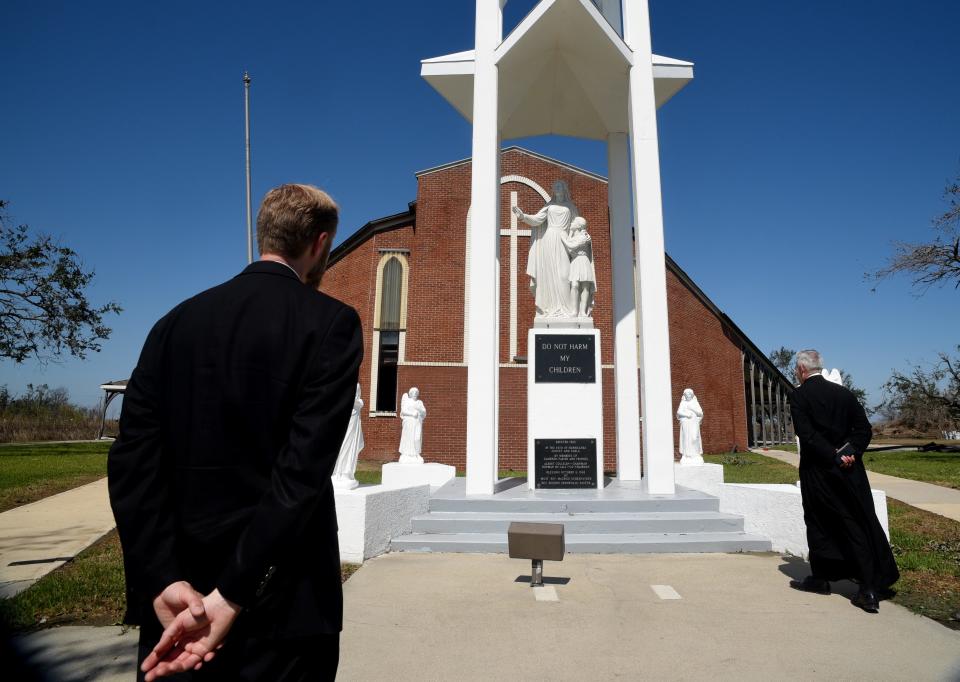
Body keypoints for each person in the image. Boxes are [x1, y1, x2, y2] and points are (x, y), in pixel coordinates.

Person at [108, 184, 363, 680]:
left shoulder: (172, 323)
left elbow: (131, 459)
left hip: (178, 611)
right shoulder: (330, 323)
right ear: (320, 244)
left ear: (263, 234)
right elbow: (300, 475)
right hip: (282, 614)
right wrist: (232, 595)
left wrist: (160, 578)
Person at [788, 349, 899, 613]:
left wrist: (832, 456)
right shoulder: (845, 394)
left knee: (818, 523)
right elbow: (864, 429)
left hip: (819, 472)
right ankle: (868, 586)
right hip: (851, 473)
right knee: (856, 522)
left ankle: (823, 579)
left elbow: (807, 434)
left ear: (802, 370)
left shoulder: (800, 396)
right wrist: (849, 453)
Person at [513, 179, 579, 318]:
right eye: (555, 186)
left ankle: (567, 309)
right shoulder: (549, 206)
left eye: (560, 186)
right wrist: (523, 216)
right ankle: (550, 308)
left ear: (565, 189)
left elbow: (576, 224)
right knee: (549, 275)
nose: (557, 188)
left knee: (564, 275)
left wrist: (576, 240)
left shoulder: (571, 207)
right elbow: (537, 219)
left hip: (564, 240)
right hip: (549, 239)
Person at [332, 383, 365, 490]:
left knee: (351, 449)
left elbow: (358, 403)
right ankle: (338, 472)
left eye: (357, 390)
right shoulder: (344, 400)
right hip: (344, 428)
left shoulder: (359, 401)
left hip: (353, 430)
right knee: (342, 447)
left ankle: (346, 472)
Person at [562, 216, 596, 317]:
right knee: (574, 285)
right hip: (575, 262)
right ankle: (574, 311)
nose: (571, 223)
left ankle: (583, 312)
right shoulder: (574, 237)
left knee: (585, 286)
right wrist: (570, 234)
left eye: (573, 222)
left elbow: (571, 246)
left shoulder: (584, 236)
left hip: (583, 260)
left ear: (578, 226)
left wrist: (563, 237)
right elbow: (569, 250)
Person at [398, 387, 426, 464]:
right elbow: (403, 411)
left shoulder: (419, 402)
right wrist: (412, 413)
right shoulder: (407, 401)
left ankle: (416, 453)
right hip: (409, 422)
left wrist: (419, 409)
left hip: (417, 423)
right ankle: (407, 454)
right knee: (408, 438)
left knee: (417, 438)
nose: (415, 394)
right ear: (410, 393)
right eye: (413, 392)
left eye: (416, 392)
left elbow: (424, 412)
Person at [676, 388, 704, 465]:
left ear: (692, 395)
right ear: (684, 395)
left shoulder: (695, 402)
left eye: (689, 394)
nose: (688, 395)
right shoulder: (683, 403)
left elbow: (700, 413)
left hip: (694, 423)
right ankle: (687, 455)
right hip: (686, 423)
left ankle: (696, 454)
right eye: (686, 394)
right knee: (686, 439)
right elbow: (679, 412)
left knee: (694, 438)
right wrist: (686, 414)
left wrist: (692, 409)